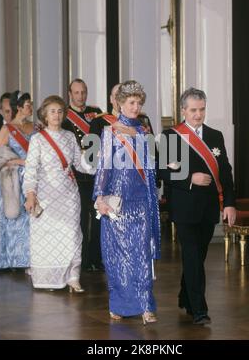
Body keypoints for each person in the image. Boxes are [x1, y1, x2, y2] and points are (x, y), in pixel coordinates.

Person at [159, 87, 236, 325]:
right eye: (193, 110)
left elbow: (226, 172)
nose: (198, 114)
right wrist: (189, 178)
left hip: (208, 207)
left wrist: (230, 204)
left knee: (197, 258)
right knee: (191, 257)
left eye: (201, 110)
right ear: (183, 110)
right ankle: (199, 308)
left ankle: (185, 296)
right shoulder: (171, 136)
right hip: (184, 207)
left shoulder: (215, 135)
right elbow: (162, 171)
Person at [93, 80, 161, 324]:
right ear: (120, 104)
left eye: (138, 103)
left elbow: (153, 163)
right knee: (118, 256)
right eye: (131, 102)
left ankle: (145, 307)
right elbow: (104, 167)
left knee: (141, 254)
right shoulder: (110, 131)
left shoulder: (143, 131)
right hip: (118, 202)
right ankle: (120, 305)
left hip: (141, 200)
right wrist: (100, 197)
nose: (135, 107)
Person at [24, 95, 86, 292]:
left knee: (72, 235)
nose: (56, 115)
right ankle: (50, 278)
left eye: (60, 111)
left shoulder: (69, 136)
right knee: (48, 237)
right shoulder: (38, 139)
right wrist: (30, 194)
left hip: (69, 196)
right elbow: (31, 168)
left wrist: (101, 164)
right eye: (52, 111)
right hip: (46, 197)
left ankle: (73, 277)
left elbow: (80, 163)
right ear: (44, 114)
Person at [0, 90, 33, 270]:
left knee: (30, 220)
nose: (30, 108)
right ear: (18, 107)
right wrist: (21, 162)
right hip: (12, 180)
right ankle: (10, 259)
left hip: (32, 179)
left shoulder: (35, 127)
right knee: (13, 218)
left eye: (30, 104)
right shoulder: (6, 129)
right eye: (27, 105)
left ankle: (28, 260)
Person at [62, 78, 103, 271]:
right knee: (78, 220)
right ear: (70, 94)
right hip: (77, 174)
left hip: (95, 172)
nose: (80, 96)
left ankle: (96, 257)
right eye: (76, 93)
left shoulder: (95, 113)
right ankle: (83, 260)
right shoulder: (64, 116)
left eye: (83, 92)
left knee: (98, 217)